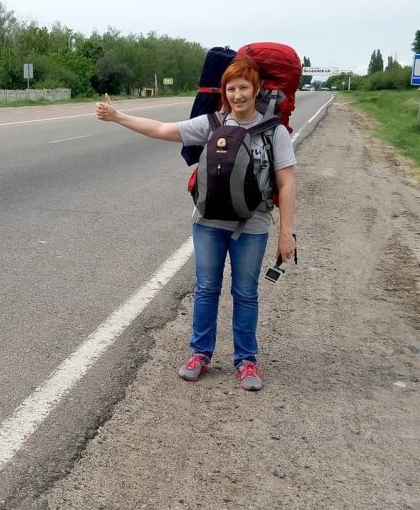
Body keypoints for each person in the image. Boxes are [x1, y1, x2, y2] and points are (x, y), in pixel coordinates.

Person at [95, 55, 296, 391]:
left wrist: (286, 233)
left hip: (253, 225)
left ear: (255, 88)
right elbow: (161, 129)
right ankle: (200, 354)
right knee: (206, 289)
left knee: (245, 293)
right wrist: (117, 116)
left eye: (244, 87)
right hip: (207, 222)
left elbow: (287, 182)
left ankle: (246, 361)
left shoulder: (274, 131)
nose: (237, 95)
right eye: (231, 88)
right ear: (224, 91)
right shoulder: (211, 123)